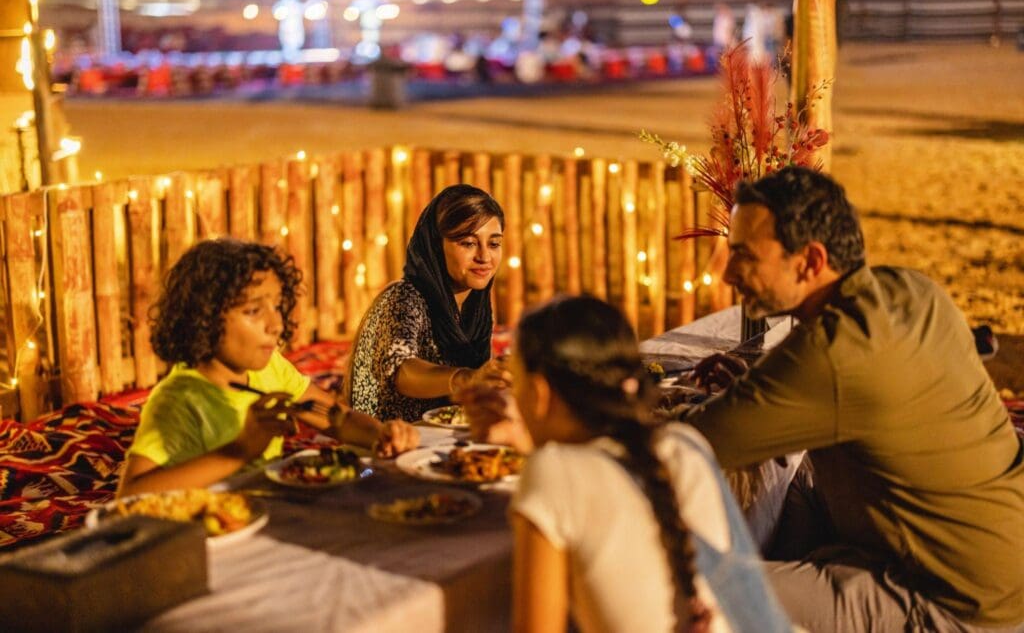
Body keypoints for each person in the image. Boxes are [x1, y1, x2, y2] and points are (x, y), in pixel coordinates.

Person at [687, 167, 1024, 631]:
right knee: (788, 487)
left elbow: (691, 442)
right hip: (996, 562)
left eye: (744, 254)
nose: (727, 271)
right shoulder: (913, 291)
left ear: (809, 261)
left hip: (950, 601)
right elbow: (857, 393)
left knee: (695, 591)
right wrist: (759, 388)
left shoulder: (832, 355)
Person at [462, 296, 791, 633]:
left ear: (540, 391)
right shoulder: (684, 444)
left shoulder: (551, 471)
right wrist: (529, 437)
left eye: (516, 385)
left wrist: (536, 450)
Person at [118, 239, 418, 498]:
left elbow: (336, 418)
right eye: (252, 311)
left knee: (372, 480)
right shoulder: (179, 399)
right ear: (204, 318)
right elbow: (129, 495)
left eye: (276, 306)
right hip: (216, 531)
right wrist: (241, 449)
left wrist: (381, 434)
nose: (275, 325)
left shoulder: (268, 369)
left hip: (273, 507)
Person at [347, 184, 511, 422]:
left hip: (442, 439)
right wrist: (468, 378)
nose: (484, 257)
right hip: (390, 443)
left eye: (494, 244)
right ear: (436, 246)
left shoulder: (475, 306)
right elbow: (401, 370)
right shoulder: (403, 297)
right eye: (468, 243)